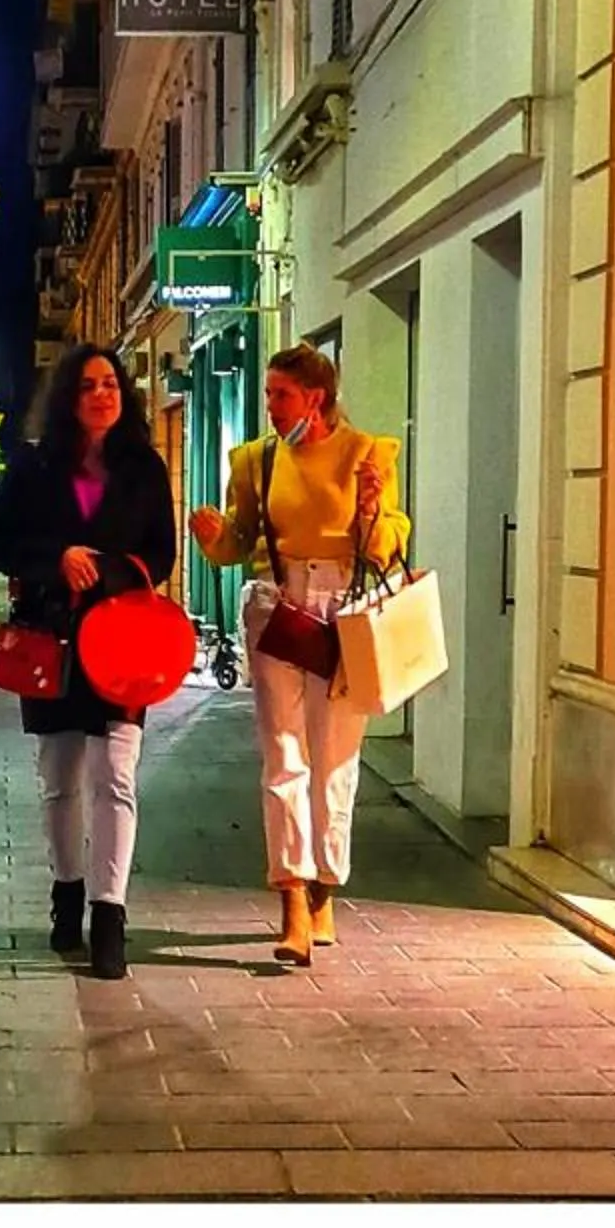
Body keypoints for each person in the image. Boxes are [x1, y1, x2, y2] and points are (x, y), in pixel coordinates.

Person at [188, 339, 411, 967]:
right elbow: (240, 542)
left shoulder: (367, 454)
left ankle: (324, 888)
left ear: (315, 397)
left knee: (335, 757)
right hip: (278, 606)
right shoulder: (258, 460)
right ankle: (290, 895)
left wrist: (371, 508)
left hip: (344, 611)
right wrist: (215, 538)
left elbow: (388, 545)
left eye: (280, 395)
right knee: (283, 755)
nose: (271, 407)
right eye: (267, 394)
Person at [0, 343, 178, 981]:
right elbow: (0, 544)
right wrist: (56, 557)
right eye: (90, 385)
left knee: (116, 777)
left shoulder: (144, 467)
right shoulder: (34, 466)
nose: (103, 394)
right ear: (70, 396)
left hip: (123, 641)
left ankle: (110, 916)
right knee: (61, 779)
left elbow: (163, 553)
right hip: (54, 640)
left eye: (113, 385)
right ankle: (67, 894)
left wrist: (110, 570)